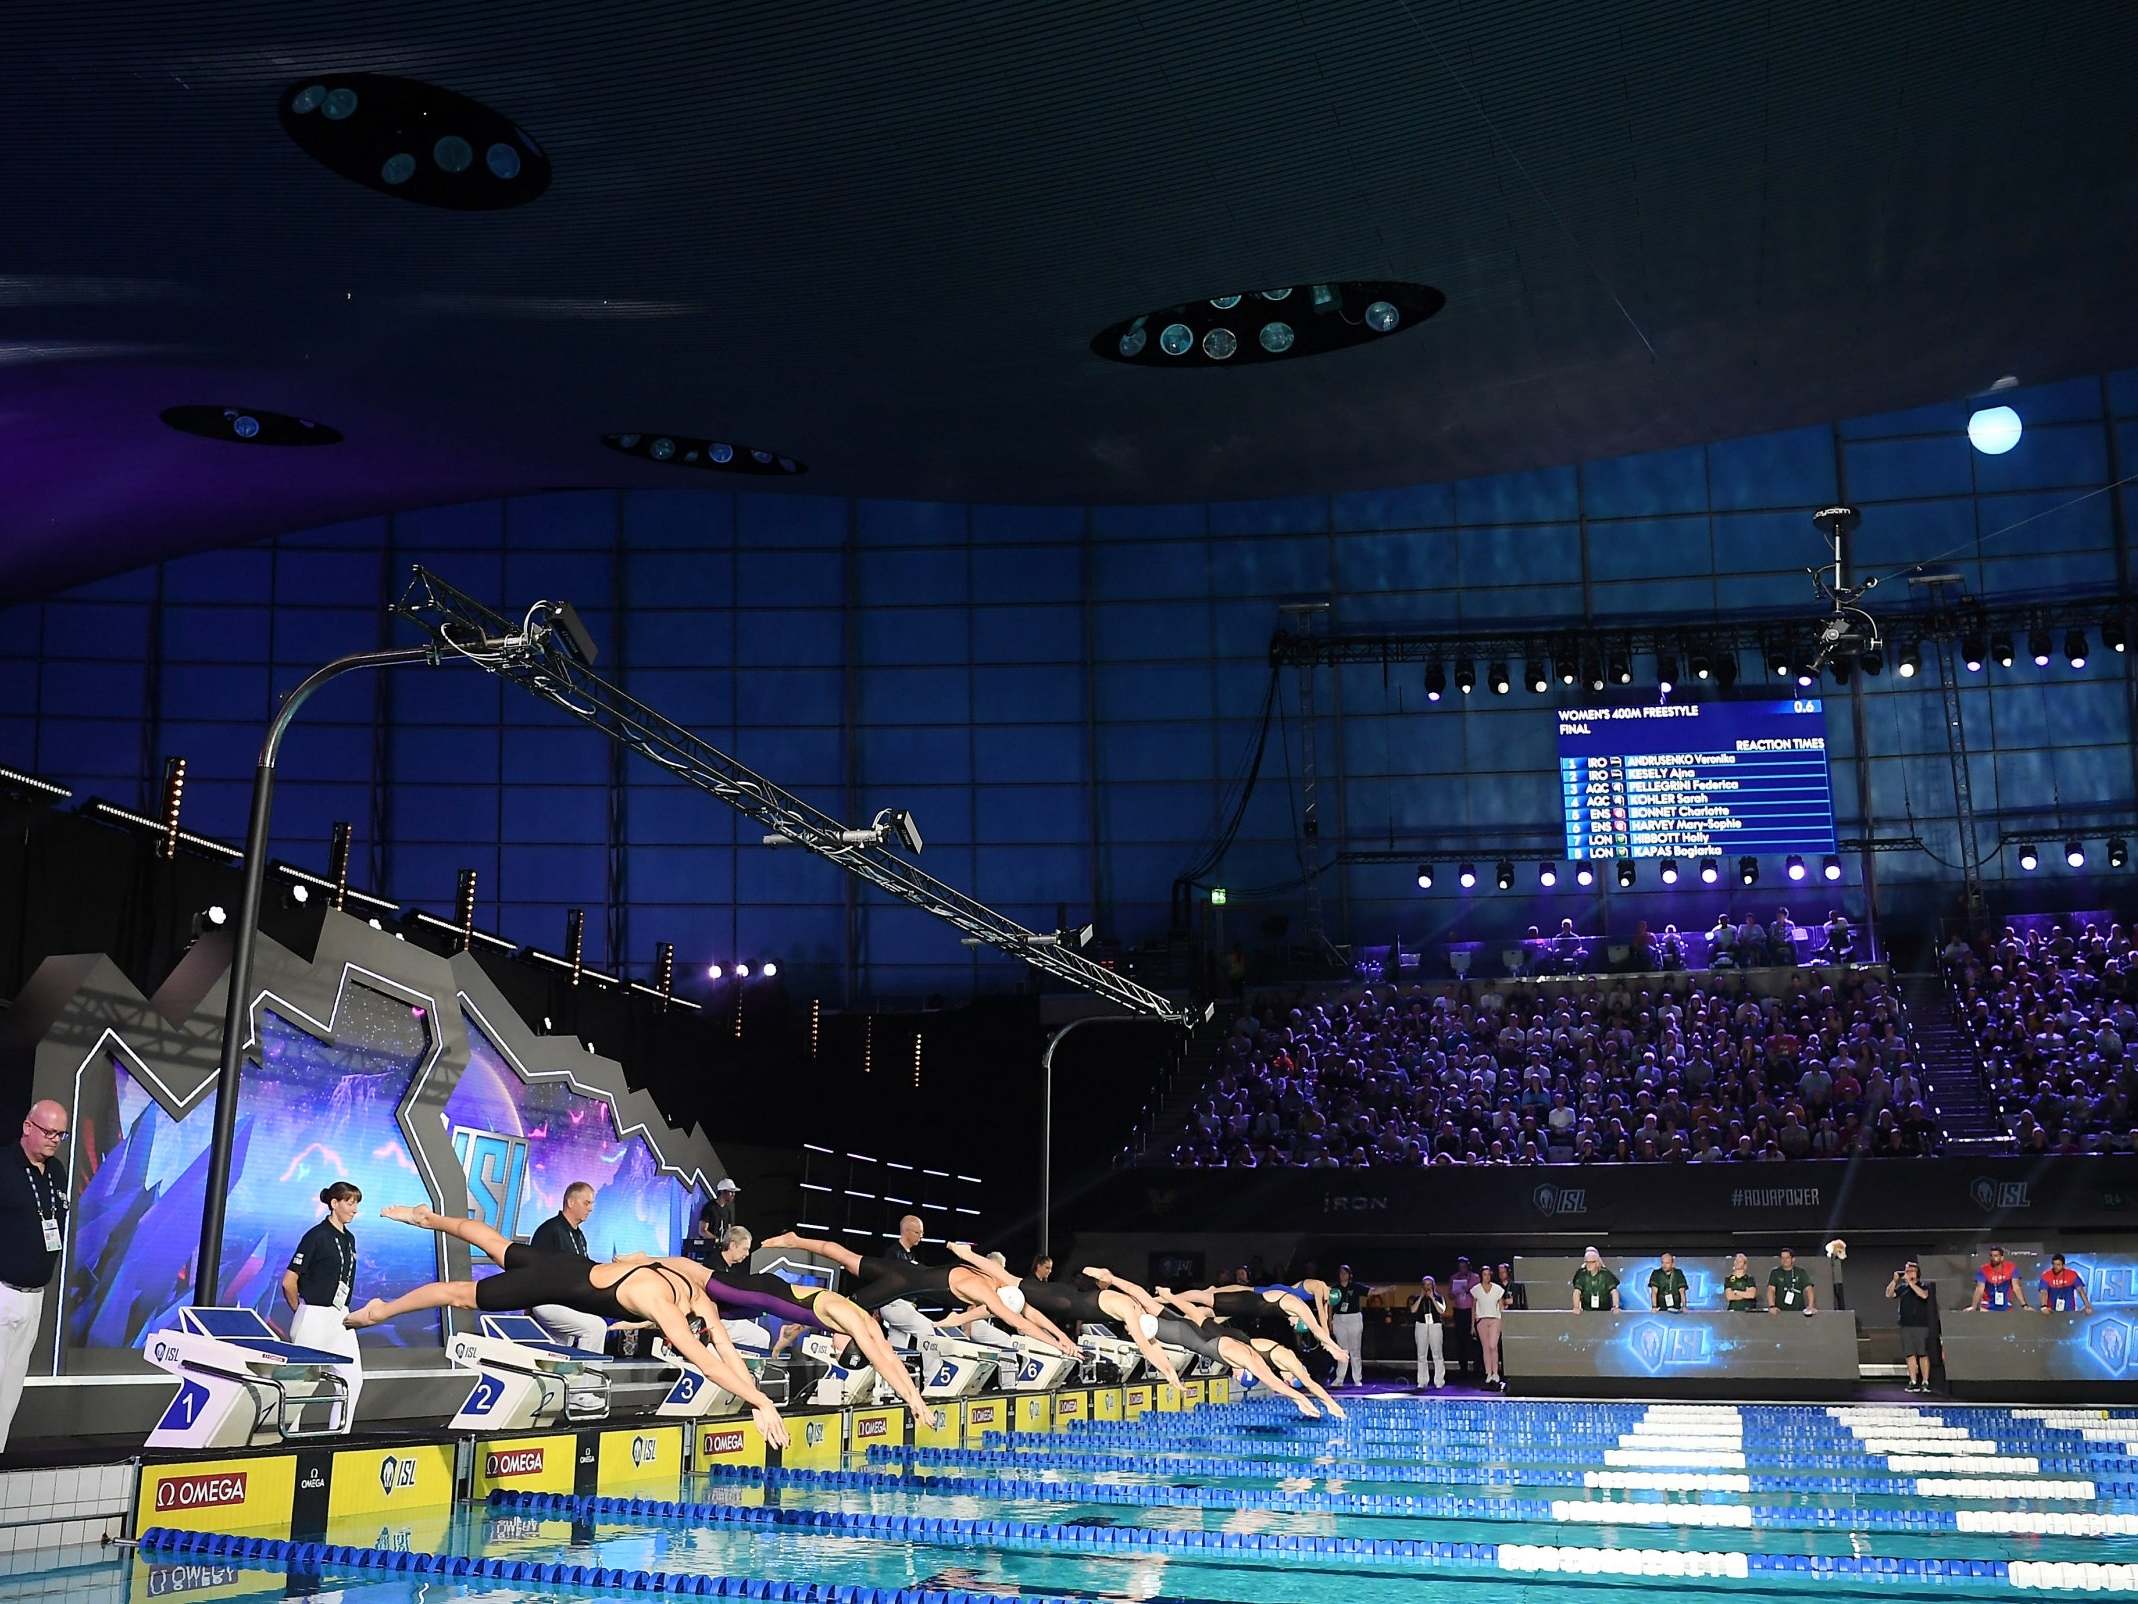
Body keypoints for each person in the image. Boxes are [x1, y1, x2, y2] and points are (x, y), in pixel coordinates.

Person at [347, 1204, 795, 1445]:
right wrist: (761, 1402)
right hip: (555, 1282)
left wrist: (757, 1399)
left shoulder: (686, 1279)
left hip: (571, 1264)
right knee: (458, 1294)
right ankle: (382, 1310)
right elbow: (705, 1360)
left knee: (497, 1243)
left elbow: (727, 1352)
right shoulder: (665, 1306)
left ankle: (427, 1217)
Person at [0, 1101, 68, 1450]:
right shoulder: (5, 1165)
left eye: (61, 1134)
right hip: (3, 1291)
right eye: (49, 1132)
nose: (55, 1140)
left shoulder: (56, 1171)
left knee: (12, 1384)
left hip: (35, 1294)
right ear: (28, 1127)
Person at [281, 1182, 366, 1417]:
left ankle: (337, 1436)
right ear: (334, 1203)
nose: (355, 1209)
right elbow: (289, 1281)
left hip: (341, 1316)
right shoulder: (315, 1236)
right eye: (350, 1203)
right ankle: (286, 1437)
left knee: (352, 1380)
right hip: (314, 1315)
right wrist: (301, 1311)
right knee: (299, 1385)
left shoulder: (349, 1239)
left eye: (356, 1203)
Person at [528, 1182, 607, 1352]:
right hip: (547, 1301)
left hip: (567, 1302)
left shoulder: (579, 1235)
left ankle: (550, 1378)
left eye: (592, 1204)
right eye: (587, 1203)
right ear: (571, 1202)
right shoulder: (550, 1230)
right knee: (596, 1328)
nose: (591, 1208)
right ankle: (590, 1379)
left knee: (558, 1349)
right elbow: (530, 1267)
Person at [1887, 1259, 1935, 1392]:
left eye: (1911, 1271)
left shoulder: (1923, 1285)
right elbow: (1889, 1294)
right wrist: (1895, 1281)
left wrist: (1911, 1283)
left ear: (1917, 1272)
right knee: (1910, 1354)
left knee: (1923, 1353)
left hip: (1921, 1325)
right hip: (1906, 1325)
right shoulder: (1903, 1288)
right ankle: (1913, 1380)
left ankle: (1925, 1381)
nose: (1908, 1273)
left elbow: (1923, 1296)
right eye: (1906, 1271)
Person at [1328, 1265, 1366, 1386]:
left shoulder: (1355, 1287)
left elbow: (1371, 1291)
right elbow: (1330, 1305)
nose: (1342, 1275)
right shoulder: (1334, 1289)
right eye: (1340, 1273)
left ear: (1349, 1275)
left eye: (1345, 1273)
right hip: (1339, 1318)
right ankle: (1339, 1378)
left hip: (1354, 1318)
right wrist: (1329, 1321)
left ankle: (1357, 1379)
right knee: (1342, 1349)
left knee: (1355, 1349)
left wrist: (1387, 1289)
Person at [1408, 1274, 1447, 1389]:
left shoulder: (1439, 1297)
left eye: (1429, 1284)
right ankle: (1422, 1381)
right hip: (1421, 1325)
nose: (1427, 1287)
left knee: (1437, 1354)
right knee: (1421, 1354)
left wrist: (1433, 1298)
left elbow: (1442, 1310)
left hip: (1435, 1325)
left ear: (1433, 1286)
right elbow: (1413, 1310)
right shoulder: (1417, 1298)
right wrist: (1420, 1297)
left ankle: (1439, 1380)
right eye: (1425, 1285)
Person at [1472, 1264, 1506, 1390]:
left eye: (1488, 1274)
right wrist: (1473, 1325)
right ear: (1481, 1275)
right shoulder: (1476, 1289)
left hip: (1495, 1320)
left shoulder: (1497, 1289)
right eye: (1484, 1274)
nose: (1487, 1277)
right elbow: (1474, 1308)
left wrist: (1503, 1322)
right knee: (1485, 1347)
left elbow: (1501, 1307)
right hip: (1481, 1320)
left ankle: (1496, 1372)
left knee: (1493, 1346)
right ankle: (1489, 1373)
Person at [1447, 1256, 1478, 1377]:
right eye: (1460, 1267)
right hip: (1459, 1311)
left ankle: (1477, 1367)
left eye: (1464, 1266)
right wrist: (1454, 1292)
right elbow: (1450, 1295)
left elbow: (1478, 1293)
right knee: (1460, 1340)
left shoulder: (1475, 1277)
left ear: (1468, 1266)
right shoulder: (1453, 1278)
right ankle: (1463, 1367)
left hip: (1471, 1311)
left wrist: (1468, 1290)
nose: (1462, 1269)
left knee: (1473, 1339)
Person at [1970, 1245, 2023, 1313]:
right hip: (1987, 1308)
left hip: (2006, 1308)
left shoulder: (2011, 1268)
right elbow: (1979, 1289)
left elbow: (2016, 1287)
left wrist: (2024, 1305)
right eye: (1991, 1256)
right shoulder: (1983, 1269)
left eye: (1995, 1256)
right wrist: (1973, 1307)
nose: (1993, 1258)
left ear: (2002, 1257)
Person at [1766, 1247, 1815, 1315]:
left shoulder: (1800, 1272)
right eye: (1782, 1258)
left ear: (1793, 1259)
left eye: (1787, 1258)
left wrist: (1810, 1306)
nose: (1784, 1260)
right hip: (1780, 1312)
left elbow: (1809, 1289)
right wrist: (1772, 1306)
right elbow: (1771, 1290)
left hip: (1798, 1312)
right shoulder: (1775, 1272)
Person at [1570, 1247, 1620, 1313]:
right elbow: (1577, 1292)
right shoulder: (1582, 1274)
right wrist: (1576, 1307)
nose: (1589, 1265)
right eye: (1587, 1262)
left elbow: (1614, 1292)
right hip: (1587, 1311)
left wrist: (1615, 1307)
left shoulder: (1606, 1274)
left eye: (1592, 1262)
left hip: (1604, 1311)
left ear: (1597, 1262)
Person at [698, 1177, 740, 1247]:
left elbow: (729, 1230)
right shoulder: (709, 1207)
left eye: (734, 1192)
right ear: (722, 1192)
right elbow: (702, 1230)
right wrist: (717, 1240)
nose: (733, 1194)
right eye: (731, 1192)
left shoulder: (728, 1210)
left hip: (722, 1248)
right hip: (709, 1247)